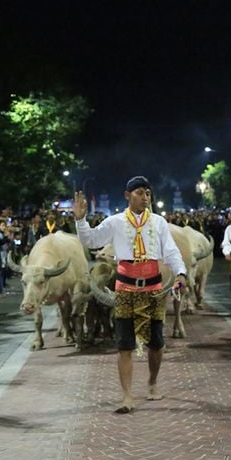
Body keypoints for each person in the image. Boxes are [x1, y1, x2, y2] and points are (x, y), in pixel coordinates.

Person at [73, 176, 187, 414]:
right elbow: (91, 240)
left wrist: (181, 274)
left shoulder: (158, 222)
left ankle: (153, 382)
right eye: (139, 193)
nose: (144, 197)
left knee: (156, 344)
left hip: (154, 288)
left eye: (147, 193)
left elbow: (171, 251)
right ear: (127, 196)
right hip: (125, 288)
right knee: (124, 344)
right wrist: (80, 219)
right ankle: (126, 396)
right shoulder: (114, 222)